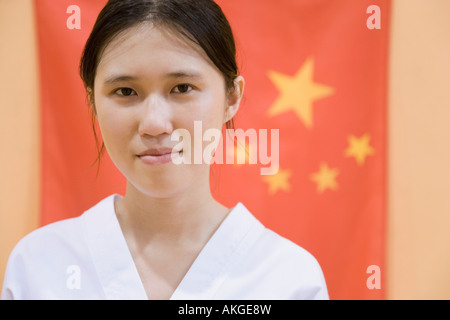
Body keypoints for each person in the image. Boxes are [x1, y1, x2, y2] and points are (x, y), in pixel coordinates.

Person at [1, 0, 328, 300]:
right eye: (125, 91)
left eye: (182, 88)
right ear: (92, 100)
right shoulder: (38, 266)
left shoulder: (288, 278)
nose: (154, 124)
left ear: (231, 98)